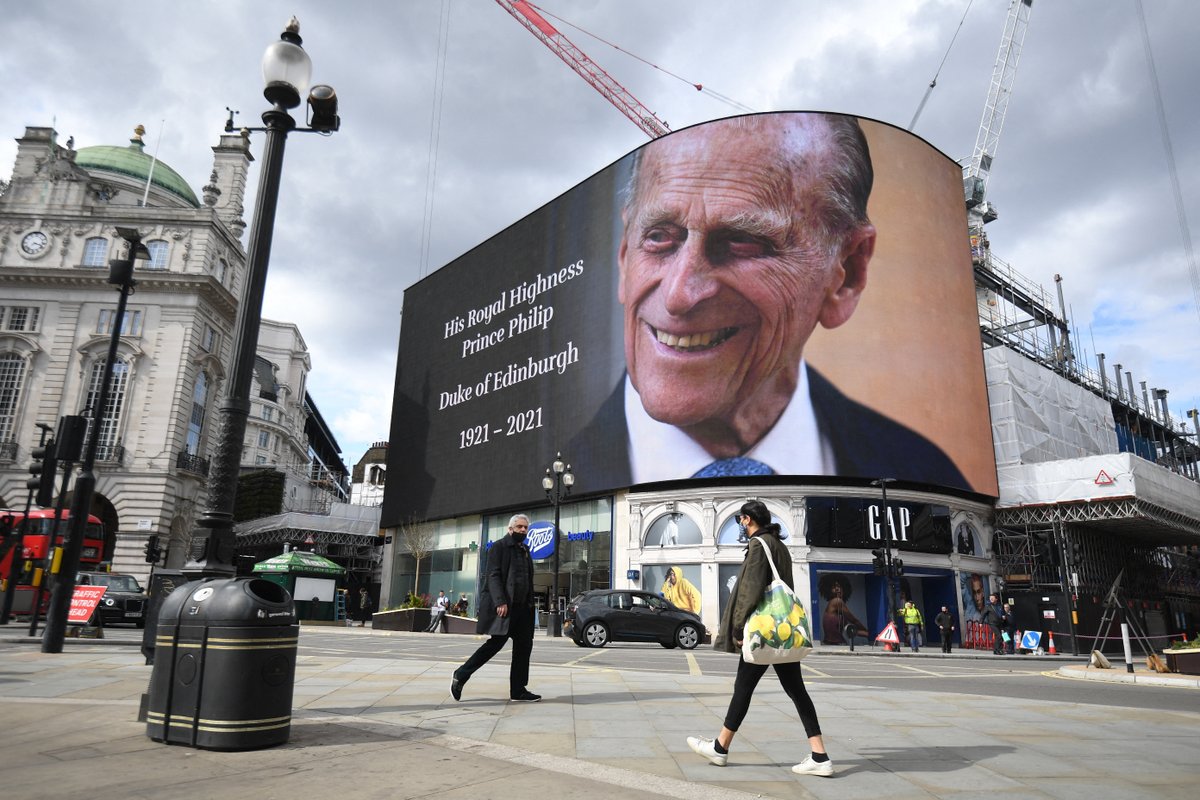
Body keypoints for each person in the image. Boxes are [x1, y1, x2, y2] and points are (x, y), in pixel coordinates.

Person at [570, 113, 968, 490]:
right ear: (625, 255)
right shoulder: (546, 484)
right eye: (658, 237)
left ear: (846, 272)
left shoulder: (927, 473)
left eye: (742, 243)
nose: (678, 295)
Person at [686, 500, 833, 777]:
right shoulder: (778, 545)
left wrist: (739, 628)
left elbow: (750, 589)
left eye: (741, 519)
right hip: (781, 632)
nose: (740, 524)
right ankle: (819, 755)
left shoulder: (758, 545)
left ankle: (720, 748)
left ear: (748, 519)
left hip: (763, 632)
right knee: (796, 691)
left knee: (743, 688)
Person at [451, 515, 540, 702]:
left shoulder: (525, 549)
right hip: (507, 608)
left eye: (525, 527)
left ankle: (518, 690)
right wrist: (500, 601)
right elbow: (493, 575)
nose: (523, 530)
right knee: (494, 645)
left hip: (523, 609)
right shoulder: (499, 547)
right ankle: (461, 674)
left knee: (524, 647)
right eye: (519, 527)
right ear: (510, 529)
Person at [818, 573, 866, 645]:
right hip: (836, 643)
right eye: (834, 587)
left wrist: (868, 634)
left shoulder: (838, 613)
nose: (837, 589)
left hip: (831, 643)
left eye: (840, 586)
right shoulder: (837, 602)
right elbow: (854, 620)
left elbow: (851, 630)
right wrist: (867, 631)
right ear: (829, 589)